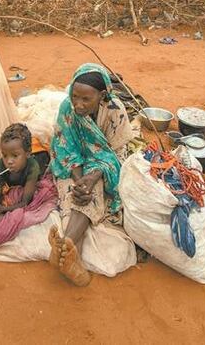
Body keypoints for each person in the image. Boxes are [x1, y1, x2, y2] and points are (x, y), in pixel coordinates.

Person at [47, 63, 143, 286]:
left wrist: (93, 177)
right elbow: (64, 148)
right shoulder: (66, 109)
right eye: (75, 96)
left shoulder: (115, 112)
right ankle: (71, 257)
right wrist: (81, 181)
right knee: (78, 194)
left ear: (101, 96)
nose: (78, 105)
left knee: (93, 190)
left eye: (85, 100)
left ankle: (64, 246)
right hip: (70, 166)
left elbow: (117, 155)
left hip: (101, 166)